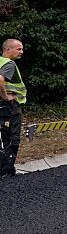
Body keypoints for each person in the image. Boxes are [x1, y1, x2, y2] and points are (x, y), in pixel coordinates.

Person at [0, 39, 26, 177]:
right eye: (19, 49)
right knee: (11, 138)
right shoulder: (9, 64)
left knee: (2, 138)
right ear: (7, 50)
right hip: (9, 107)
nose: (22, 52)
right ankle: (7, 172)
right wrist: (5, 96)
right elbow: (0, 80)